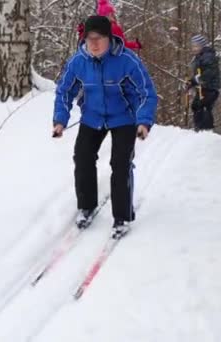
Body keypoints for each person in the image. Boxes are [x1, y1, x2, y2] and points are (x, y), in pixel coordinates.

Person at [52, 15, 158, 238]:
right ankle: (87, 206)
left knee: (120, 164)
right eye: (89, 39)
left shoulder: (127, 61)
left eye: (99, 38)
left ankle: (122, 216)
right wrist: (60, 121)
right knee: (82, 157)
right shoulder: (78, 61)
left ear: (109, 38)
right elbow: (64, 91)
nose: (94, 44)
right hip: (92, 116)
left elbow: (146, 92)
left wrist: (144, 122)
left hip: (124, 118)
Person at [186, 34, 221, 131]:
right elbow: (198, 73)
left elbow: (208, 73)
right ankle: (199, 128)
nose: (194, 48)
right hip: (203, 87)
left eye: (196, 46)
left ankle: (205, 130)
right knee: (196, 105)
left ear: (202, 46)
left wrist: (195, 80)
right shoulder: (199, 57)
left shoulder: (208, 56)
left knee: (203, 105)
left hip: (210, 87)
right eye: (193, 46)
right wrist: (192, 82)